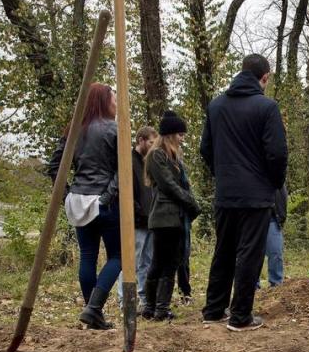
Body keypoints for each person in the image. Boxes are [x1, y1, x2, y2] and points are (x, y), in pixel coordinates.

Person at [200, 54, 288, 332]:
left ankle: (214, 309)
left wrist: (223, 174)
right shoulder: (266, 107)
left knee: (223, 250)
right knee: (250, 253)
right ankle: (240, 316)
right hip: (256, 194)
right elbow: (277, 153)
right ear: (264, 78)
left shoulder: (216, 106)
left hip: (226, 193)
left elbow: (205, 149)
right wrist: (272, 183)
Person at [48, 83, 121, 330]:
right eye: (114, 99)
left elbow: (54, 166)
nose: (117, 103)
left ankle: (93, 313)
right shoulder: (114, 129)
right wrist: (106, 197)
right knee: (119, 256)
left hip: (79, 201)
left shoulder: (73, 131)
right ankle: (93, 308)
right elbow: (123, 170)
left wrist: (68, 194)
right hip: (104, 203)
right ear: (103, 101)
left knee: (87, 255)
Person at [142, 111, 201, 321]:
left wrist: (189, 204)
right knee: (164, 262)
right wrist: (191, 203)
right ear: (169, 134)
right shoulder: (157, 155)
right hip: (165, 216)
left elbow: (177, 184)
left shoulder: (172, 155)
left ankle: (154, 307)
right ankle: (157, 308)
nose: (182, 138)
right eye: (180, 134)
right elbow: (169, 185)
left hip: (174, 216)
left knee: (166, 262)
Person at [117, 126, 157, 309]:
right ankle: (123, 299)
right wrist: (137, 211)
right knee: (131, 259)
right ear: (141, 140)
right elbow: (126, 191)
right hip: (135, 219)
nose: (153, 145)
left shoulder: (148, 161)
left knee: (147, 260)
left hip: (150, 219)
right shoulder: (128, 160)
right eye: (150, 142)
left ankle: (142, 296)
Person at [260, 185, 287, 287]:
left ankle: (276, 284)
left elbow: (282, 193)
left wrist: (282, 215)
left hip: (272, 217)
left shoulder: (274, 170)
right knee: (253, 254)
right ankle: (253, 287)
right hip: (253, 216)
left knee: (276, 252)